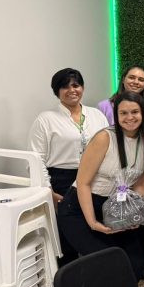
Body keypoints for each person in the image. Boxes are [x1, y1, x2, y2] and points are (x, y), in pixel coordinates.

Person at [57, 91, 144, 280]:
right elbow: (83, 183)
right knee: (111, 264)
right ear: (116, 115)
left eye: (135, 112)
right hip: (80, 209)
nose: (130, 117)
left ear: (143, 113)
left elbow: (141, 182)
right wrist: (93, 222)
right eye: (123, 113)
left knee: (136, 267)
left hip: (116, 207)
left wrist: (134, 214)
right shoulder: (104, 138)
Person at [29, 68, 110, 264]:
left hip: (95, 178)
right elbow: (36, 158)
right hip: (62, 181)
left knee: (95, 231)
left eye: (76, 85)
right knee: (68, 237)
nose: (72, 90)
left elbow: (109, 148)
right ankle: (71, 277)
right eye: (65, 86)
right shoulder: (45, 119)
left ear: (82, 87)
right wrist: (48, 191)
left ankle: (101, 274)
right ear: (57, 91)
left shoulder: (97, 115)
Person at [97, 65, 144, 129]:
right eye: (131, 78)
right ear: (123, 80)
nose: (136, 82)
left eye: (141, 80)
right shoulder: (104, 106)